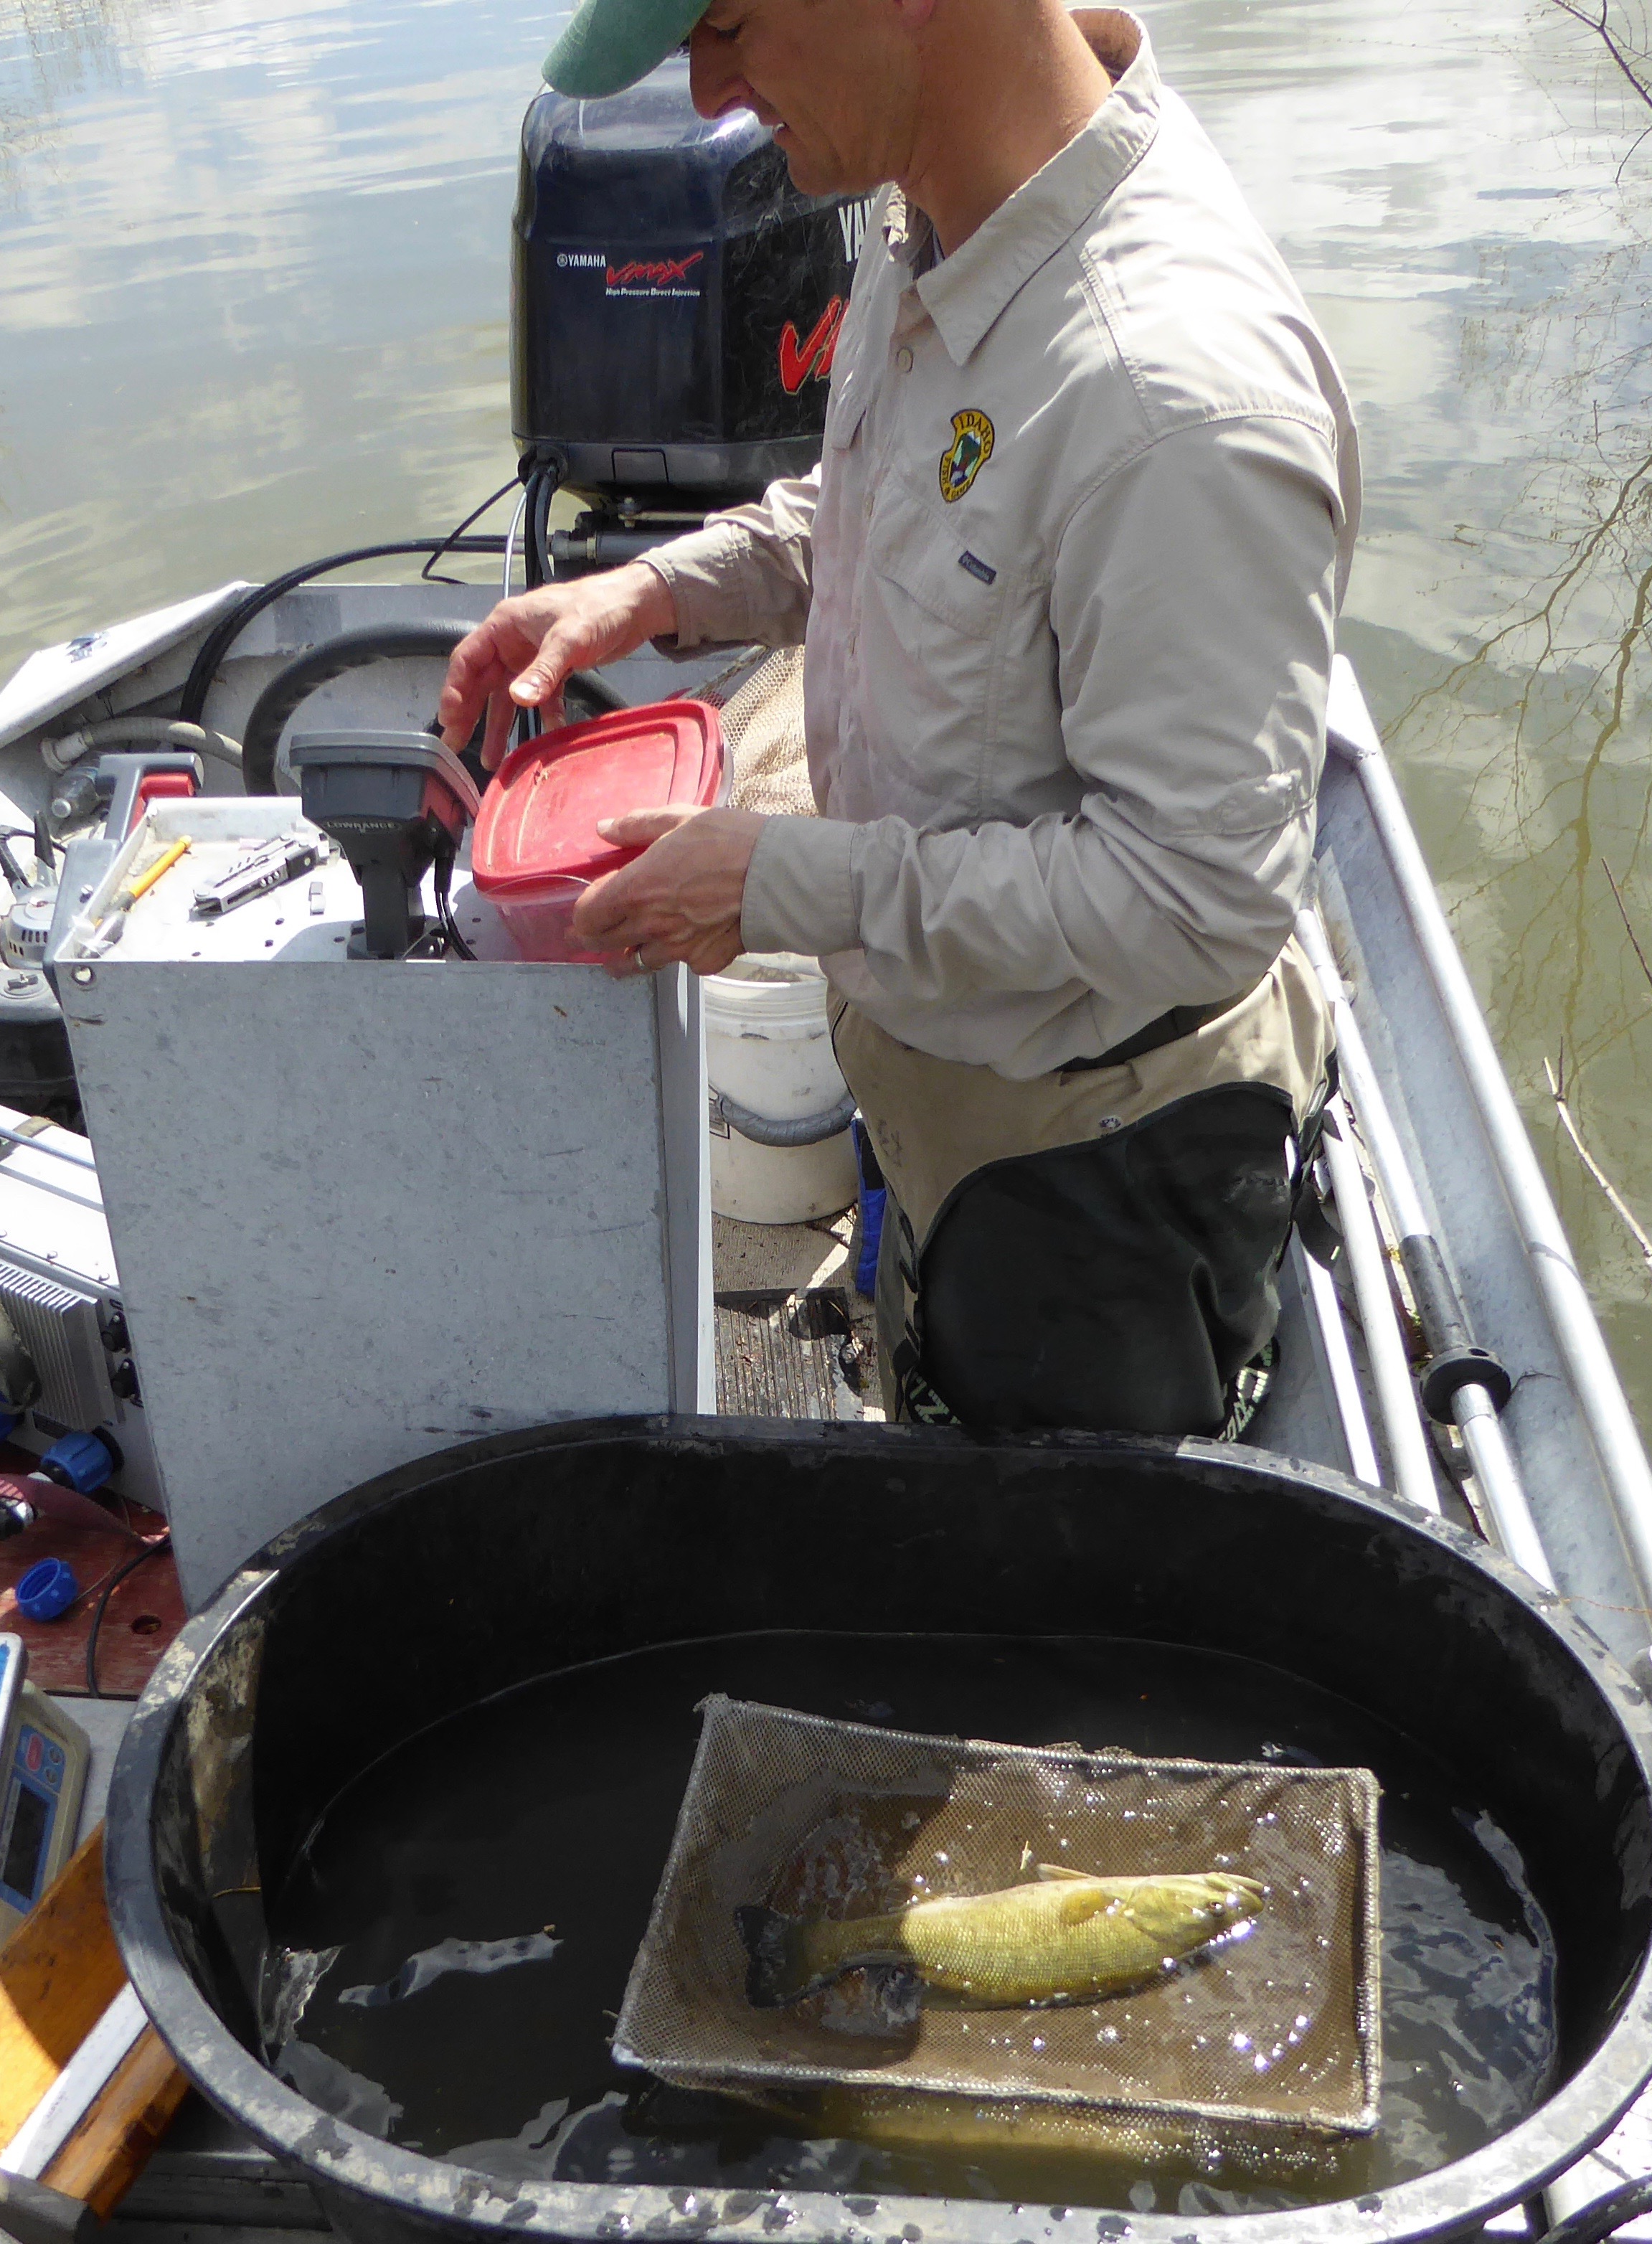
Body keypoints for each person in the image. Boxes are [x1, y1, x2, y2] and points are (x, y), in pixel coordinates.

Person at [438, 0, 1358, 1438]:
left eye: (729, 21)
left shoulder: (1171, 399)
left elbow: (1197, 898)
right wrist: (659, 588)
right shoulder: (937, 218)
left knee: (1051, 1617)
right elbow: (881, 502)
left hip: (1087, 1176)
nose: (705, 89)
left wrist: (774, 878)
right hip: (935, 1087)